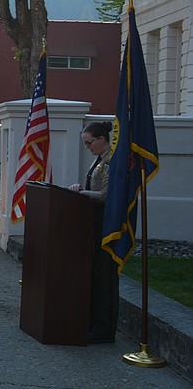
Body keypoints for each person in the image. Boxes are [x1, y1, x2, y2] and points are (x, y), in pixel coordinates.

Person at [67, 120, 118, 344]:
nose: (87, 147)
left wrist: (83, 193)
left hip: (106, 227)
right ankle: (92, 321)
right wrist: (82, 190)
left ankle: (104, 328)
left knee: (104, 277)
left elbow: (108, 195)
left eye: (89, 143)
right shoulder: (99, 160)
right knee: (95, 276)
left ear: (101, 139)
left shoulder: (111, 161)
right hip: (93, 224)